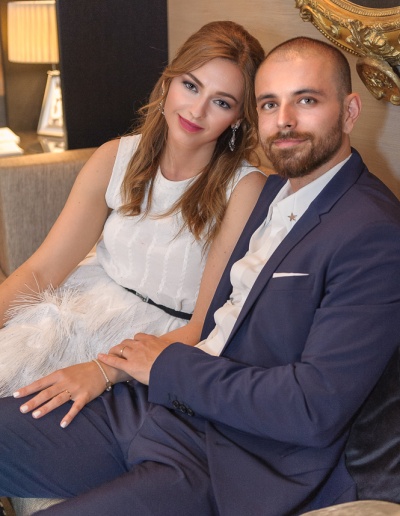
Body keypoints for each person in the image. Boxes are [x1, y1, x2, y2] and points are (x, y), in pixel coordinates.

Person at [1, 36, 400, 516]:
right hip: (156, 406)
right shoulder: (272, 193)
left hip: (230, 456)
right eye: (270, 104)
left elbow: (311, 409)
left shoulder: (371, 231)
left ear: (350, 111)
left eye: (307, 100)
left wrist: (162, 368)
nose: (285, 120)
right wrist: (132, 374)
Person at [0, 20, 266, 410]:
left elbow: (204, 324)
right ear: (168, 82)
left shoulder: (244, 189)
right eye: (191, 86)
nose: (196, 110)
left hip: (152, 350)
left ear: (239, 118)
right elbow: (42, 270)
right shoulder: (115, 156)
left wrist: (101, 369)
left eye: (221, 102)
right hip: (74, 312)